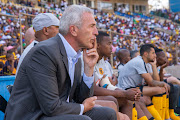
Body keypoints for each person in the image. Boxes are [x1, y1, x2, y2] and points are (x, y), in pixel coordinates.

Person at [4, 5, 117, 120]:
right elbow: (51, 107)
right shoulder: (44, 52)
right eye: (92, 26)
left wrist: (88, 69)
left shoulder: (75, 55)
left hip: (56, 113)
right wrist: (82, 108)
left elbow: (80, 98)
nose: (96, 32)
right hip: (33, 116)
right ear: (73, 30)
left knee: (108, 113)